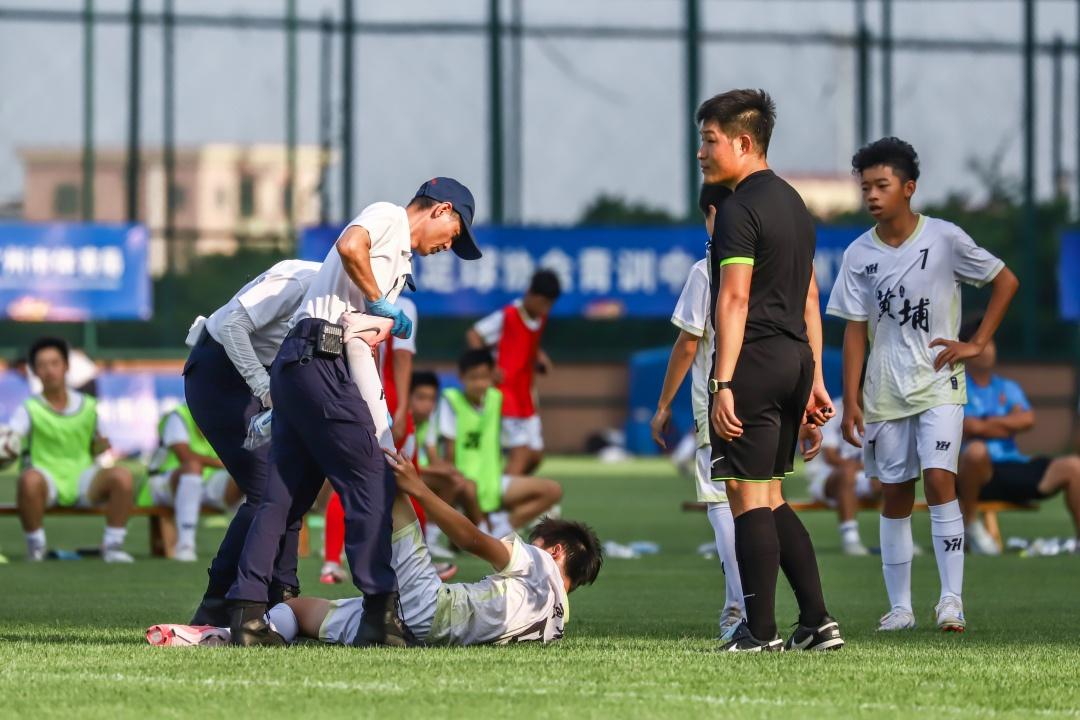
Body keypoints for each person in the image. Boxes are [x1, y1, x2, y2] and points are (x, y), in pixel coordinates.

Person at [226, 177, 482, 648]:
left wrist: (376, 414)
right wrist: (379, 302)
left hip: (304, 362)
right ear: (441, 209)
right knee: (371, 480)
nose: (449, 246)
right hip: (319, 357)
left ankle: (246, 612)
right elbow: (350, 245)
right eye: (455, 234)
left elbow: (361, 339)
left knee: (281, 496)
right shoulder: (388, 216)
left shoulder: (401, 265)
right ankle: (380, 612)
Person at [828, 137, 1019, 632]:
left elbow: (1005, 281)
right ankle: (901, 609)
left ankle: (951, 602)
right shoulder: (858, 254)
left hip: (939, 384)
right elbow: (854, 331)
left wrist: (976, 342)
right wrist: (851, 400)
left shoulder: (945, 238)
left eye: (882, 185)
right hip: (884, 392)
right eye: (865, 187)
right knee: (894, 493)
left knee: (938, 480)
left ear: (909, 188)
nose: (872, 195)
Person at [146, 447, 602, 648]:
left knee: (391, 473)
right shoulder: (557, 624)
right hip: (422, 633)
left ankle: (333, 453)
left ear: (556, 552)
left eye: (536, 541)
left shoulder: (539, 562)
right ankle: (219, 638)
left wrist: (419, 489)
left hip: (432, 610)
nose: (526, 546)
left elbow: (471, 539)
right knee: (300, 611)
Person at [700, 89, 841, 652]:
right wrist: (816, 380)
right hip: (794, 359)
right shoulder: (794, 205)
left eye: (709, 141)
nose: (701, 153)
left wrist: (722, 383)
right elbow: (810, 297)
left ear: (743, 142)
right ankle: (817, 622)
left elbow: (734, 299)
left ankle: (759, 632)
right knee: (773, 496)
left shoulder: (738, 209)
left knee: (746, 495)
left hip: (754, 361)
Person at [182, 258, 321, 627]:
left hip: (263, 378)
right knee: (266, 490)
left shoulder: (349, 298)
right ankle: (217, 602)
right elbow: (232, 326)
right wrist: (263, 387)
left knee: (292, 483)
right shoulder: (303, 281)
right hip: (222, 376)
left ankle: (283, 597)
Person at [650, 182, 743, 638]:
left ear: (711, 212)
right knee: (760, 502)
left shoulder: (708, 269)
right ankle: (789, 609)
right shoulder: (767, 263)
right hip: (767, 398)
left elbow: (689, 342)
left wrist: (663, 405)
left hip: (721, 401)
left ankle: (740, 609)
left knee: (722, 503)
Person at [956, 320, 1080, 554]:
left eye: (991, 342)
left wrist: (985, 424)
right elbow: (967, 427)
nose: (988, 349)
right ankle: (970, 526)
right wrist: (1006, 423)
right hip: (981, 474)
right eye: (982, 342)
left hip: (1014, 464)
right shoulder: (958, 387)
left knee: (1074, 466)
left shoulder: (1007, 387)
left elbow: (1027, 420)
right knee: (976, 451)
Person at [320, 296, 419, 584]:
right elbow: (402, 358)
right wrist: (401, 409)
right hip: (382, 402)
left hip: (348, 399)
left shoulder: (342, 298)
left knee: (350, 478)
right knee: (406, 480)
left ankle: (332, 562)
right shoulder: (402, 307)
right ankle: (412, 561)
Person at [10, 337, 135, 563]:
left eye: (54, 363)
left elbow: (99, 448)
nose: (49, 370)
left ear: (66, 366)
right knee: (28, 480)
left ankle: (113, 546)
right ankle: (36, 548)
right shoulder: (28, 408)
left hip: (83, 477)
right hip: (46, 479)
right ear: (35, 371)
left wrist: (100, 447)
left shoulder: (88, 405)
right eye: (42, 365)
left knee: (123, 476)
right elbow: (11, 438)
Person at [438, 349, 562, 538]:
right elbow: (449, 453)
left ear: (492, 375)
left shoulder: (497, 398)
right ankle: (479, 526)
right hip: (466, 485)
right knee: (464, 529)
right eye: (473, 378)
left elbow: (518, 381)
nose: (479, 384)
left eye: (484, 377)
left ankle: (501, 527)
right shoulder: (451, 401)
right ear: (461, 377)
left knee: (553, 491)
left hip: (493, 482)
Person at [466, 269, 561, 476]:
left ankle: (507, 487)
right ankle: (500, 495)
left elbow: (527, 343)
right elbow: (474, 334)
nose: (545, 309)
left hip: (525, 395)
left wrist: (539, 357)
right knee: (521, 452)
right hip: (505, 393)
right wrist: (487, 369)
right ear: (530, 294)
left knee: (535, 456)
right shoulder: (508, 315)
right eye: (543, 303)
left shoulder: (540, 319)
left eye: (549, 305)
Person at [139, 404, 243, 561]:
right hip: (161, 483)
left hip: (205, 481)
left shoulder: (224, 414)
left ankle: (244, 544)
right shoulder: (179, 416)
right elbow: (185, 456)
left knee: (247, 475)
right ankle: (185, 545)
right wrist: (223, 462)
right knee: (192, 468)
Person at [804, 395, 881, 555]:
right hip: (826, 478)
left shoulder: (879, 410)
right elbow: (830, 457)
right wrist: (863, 467)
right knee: (847, 472)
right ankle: (850, 538)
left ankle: (898, 538)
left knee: (894, 477)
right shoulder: (829, 410)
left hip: (863, 475)